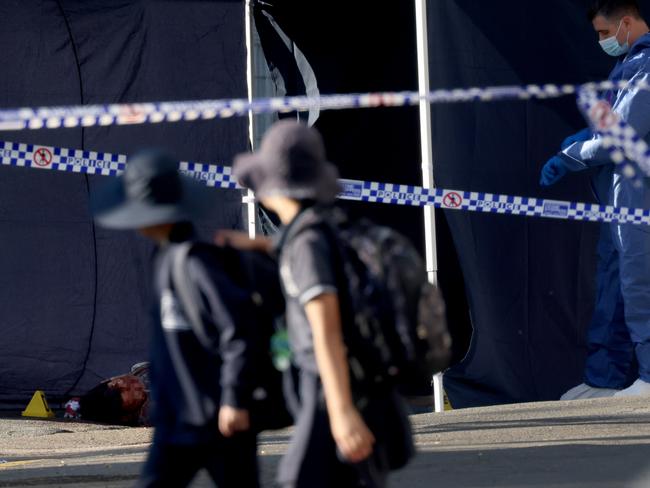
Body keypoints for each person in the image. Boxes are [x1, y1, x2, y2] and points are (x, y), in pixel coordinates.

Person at [223, 120, 414, 488]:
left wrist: (341, 411)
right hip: (340, 383)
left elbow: (325, 329)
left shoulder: (306, 245)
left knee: (303, 478)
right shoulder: (317, 228)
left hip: (328, 386)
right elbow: (292, 252)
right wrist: (253, 245)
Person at [92, 150, 259, 487]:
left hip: (216, 415)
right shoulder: (161, 260)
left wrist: (234, 398)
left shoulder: (197, 263)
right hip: (175, 419)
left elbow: (238, 330)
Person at [540, 0, 650, 398]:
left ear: (626, 22)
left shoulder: (646, 67)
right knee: (616, 284)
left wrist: (571, 155)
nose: (602, 41)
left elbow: (622, 137)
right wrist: (583, 140)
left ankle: (648, 376)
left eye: (605, 33)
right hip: (621, 197)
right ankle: (606, 377)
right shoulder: (629, 66)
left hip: (640, 196)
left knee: (639, 283)